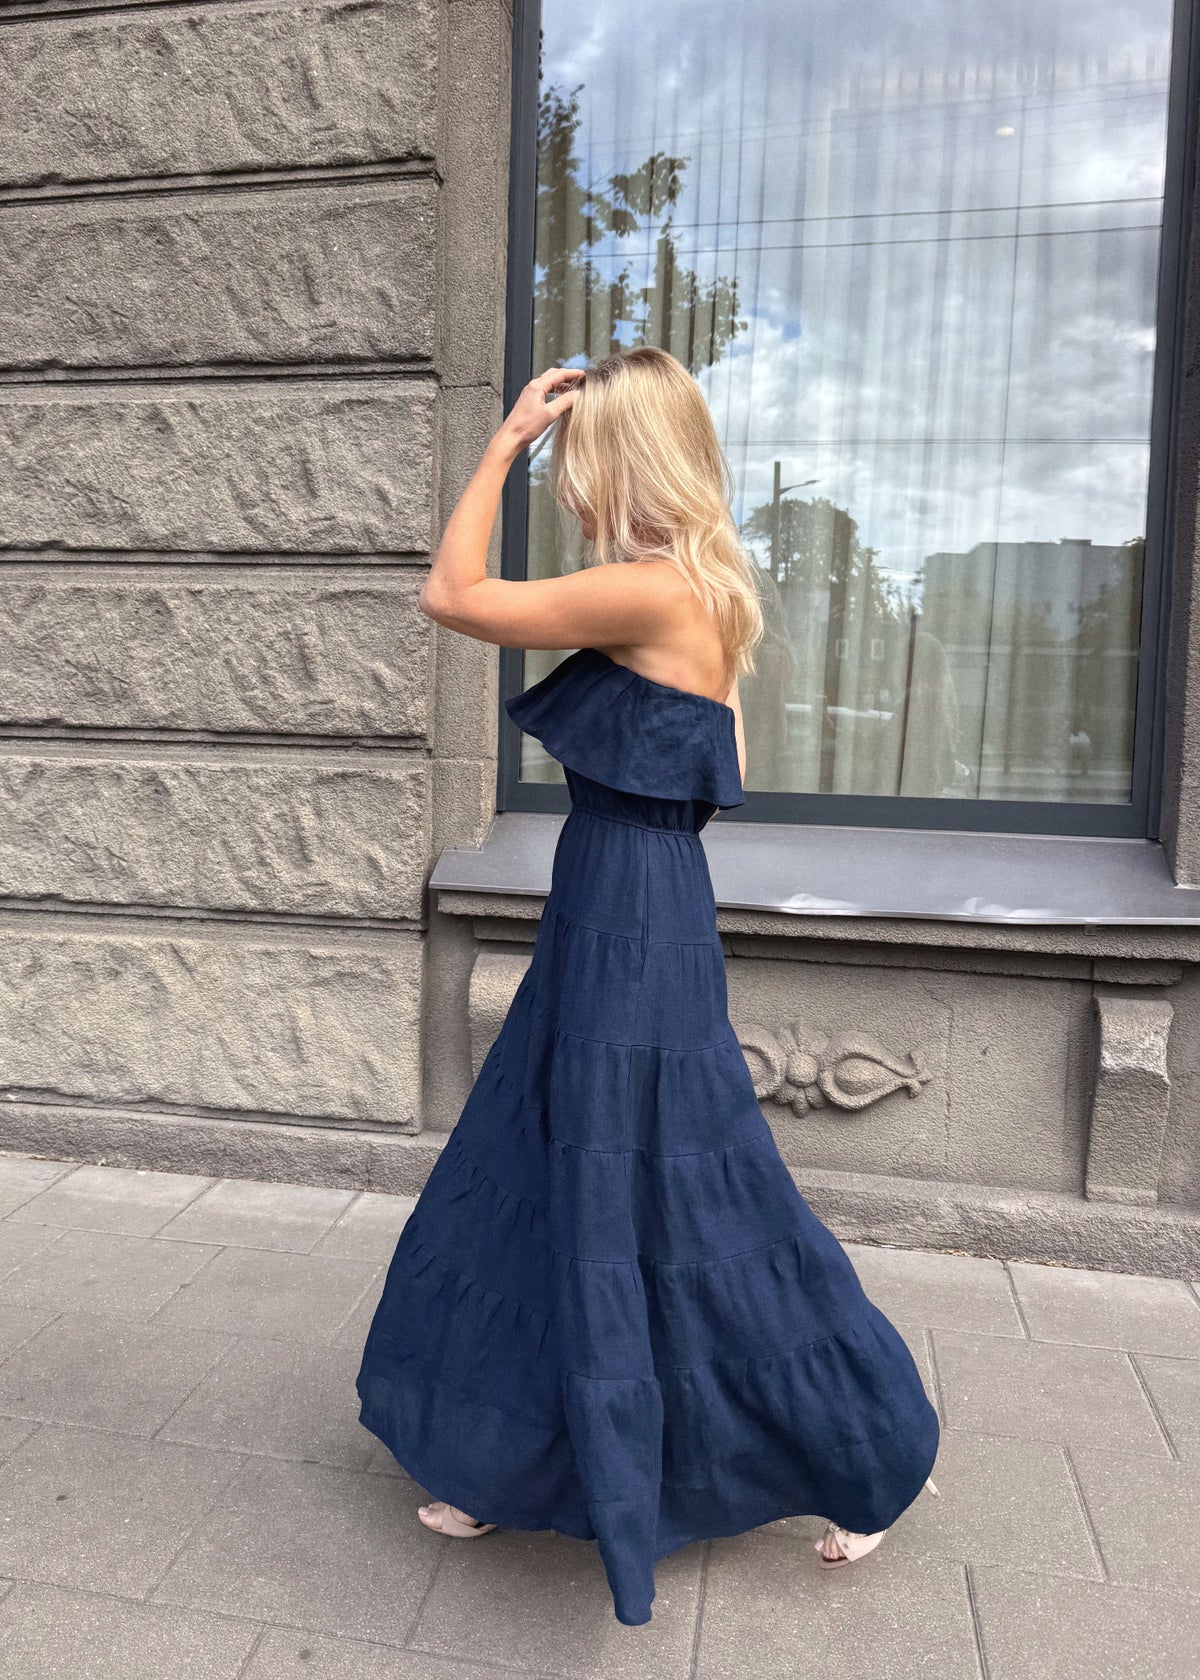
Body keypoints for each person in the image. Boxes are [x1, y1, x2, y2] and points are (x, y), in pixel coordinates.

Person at [355, 346, 940, 1626]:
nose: (568, 480)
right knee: (546, 1170)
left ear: (624, 458)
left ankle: (868, 1449)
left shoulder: (652, 589)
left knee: (684, 1193)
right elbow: (713, 770)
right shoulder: (711, 587)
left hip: (628, 920)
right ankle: (503, 1460)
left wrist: (503, 440)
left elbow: (448, 594)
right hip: (627, 905)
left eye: (579, 458)